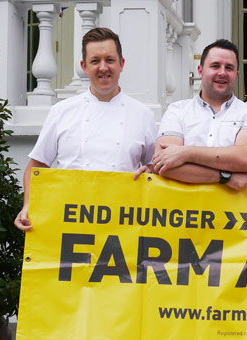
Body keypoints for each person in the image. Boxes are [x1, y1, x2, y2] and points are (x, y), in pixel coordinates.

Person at [14, 27, 157, 231]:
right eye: (95, 61)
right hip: (69, 220)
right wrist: (29, 205)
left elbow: (154, 169)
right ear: (84, 66)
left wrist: (150, 170)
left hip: (123, 224)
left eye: (109, 60)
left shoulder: (143, 115)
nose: (103, 67)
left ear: (121, 63)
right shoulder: (61, 111)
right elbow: (36, 167)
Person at [133, 39, 247, 190]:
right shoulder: (177, 110)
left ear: (236, 74)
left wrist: (185, 153)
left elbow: (246, 158)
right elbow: (164, 165)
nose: (222, 72)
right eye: (215, 66)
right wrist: (225, 177)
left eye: (229, 68)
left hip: (237, 212)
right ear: (201, 70)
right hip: (186, 211)